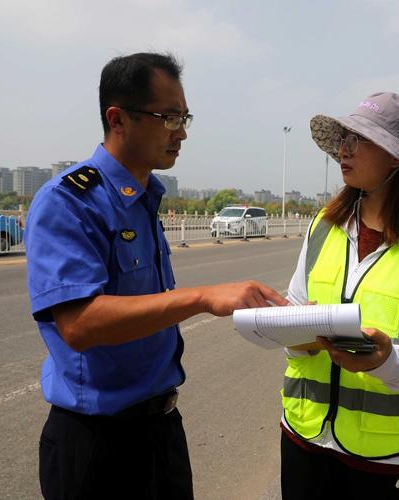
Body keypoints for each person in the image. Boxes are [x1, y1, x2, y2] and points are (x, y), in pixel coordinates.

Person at [25, 52, 286, 500]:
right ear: (118, 118)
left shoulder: (145, 197)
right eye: (168, 117)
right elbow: (79, 324)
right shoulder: (70, 201)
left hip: (160, 430)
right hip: (97, 446)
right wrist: (202, 298)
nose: (181, 132)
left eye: (184, 117)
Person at [279, 92, 399, 499]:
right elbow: (295, 307)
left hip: (387, 454)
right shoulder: (324, 225)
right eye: (343, 141)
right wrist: (294, 335)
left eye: (357, 141)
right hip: (303, 433)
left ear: (396, 159)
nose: (343, 151)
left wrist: (388, 361)